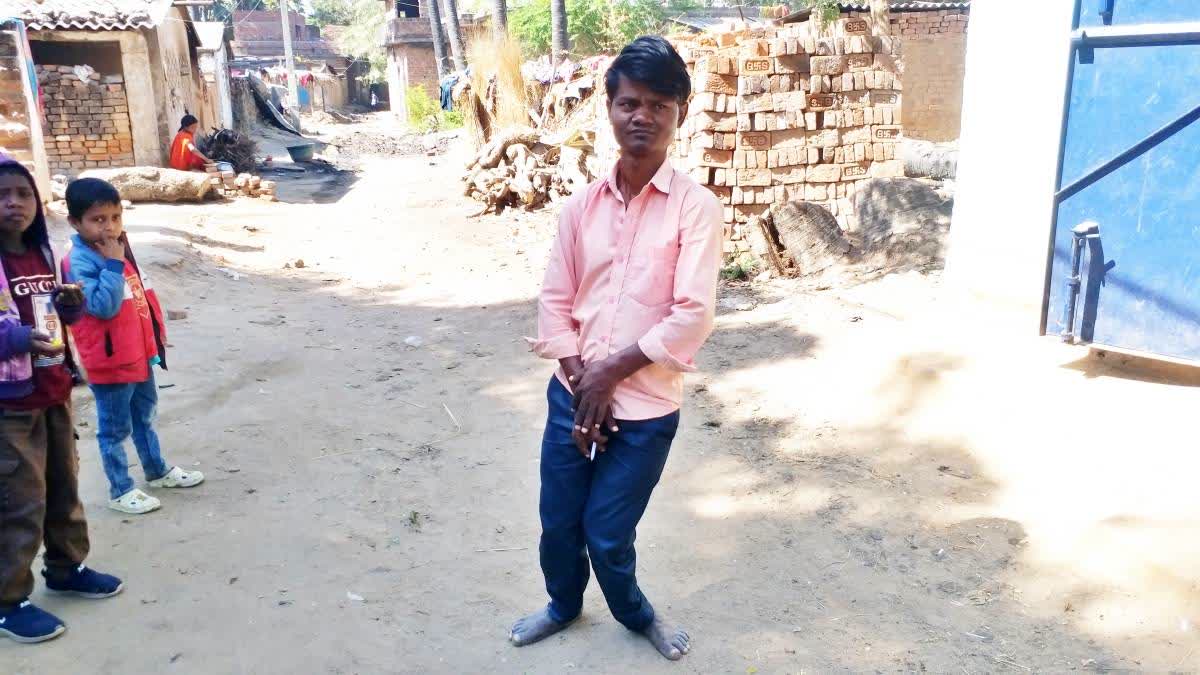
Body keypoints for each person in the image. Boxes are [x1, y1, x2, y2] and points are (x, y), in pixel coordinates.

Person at [510, 36, 723, 661]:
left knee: (606, 534)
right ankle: (563, 605)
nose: (643, 116)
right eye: (630, 102)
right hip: (572, 397)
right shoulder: (580, 208)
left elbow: (693, 314)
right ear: (608, 108)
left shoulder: (696, 208)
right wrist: (584, 383)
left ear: (680, 112)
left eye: (660, 104)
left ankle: (636, 615)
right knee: (558, 526)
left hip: (647, 410)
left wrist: (610, 376)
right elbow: (556, 298)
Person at [0, 157, 124, 644]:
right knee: (18, 501)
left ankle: (67, 568)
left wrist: (68, 309)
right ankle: (9, 600)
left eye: (23, 194)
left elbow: (57, 315)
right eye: (3, 194)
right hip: (10, 404)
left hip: (53, 390)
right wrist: (14, 338)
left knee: (64, 488)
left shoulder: (45, 254)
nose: (14, 203)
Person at [63, 178, 204, 515]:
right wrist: (113, 263)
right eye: (98, 220)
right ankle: (120, 489)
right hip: (109, 361)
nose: (109, 227)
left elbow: (140, 293)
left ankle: (156, 471)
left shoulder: (118, 249)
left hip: (137, 353)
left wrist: (153, 333)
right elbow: (103, 306)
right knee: (114, 428)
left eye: (115, 217)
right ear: (75, 223)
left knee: (146, 415)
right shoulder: (81, 261)